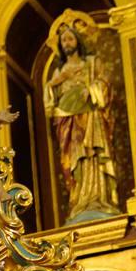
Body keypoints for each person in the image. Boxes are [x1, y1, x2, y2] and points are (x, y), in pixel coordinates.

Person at [43, 22, 119, 223]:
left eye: (70, 38)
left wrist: (91, 89)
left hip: (91, 118)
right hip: (69, 123)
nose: (67, 42)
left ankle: (98, 198)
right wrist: (55, 84)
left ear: (78, 41)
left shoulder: (92, 63)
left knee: (92, 154)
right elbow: (50, 102)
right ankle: (79, 201)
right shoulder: (59, 72)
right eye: (64, 40)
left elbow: (104, 82)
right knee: (74, 160)